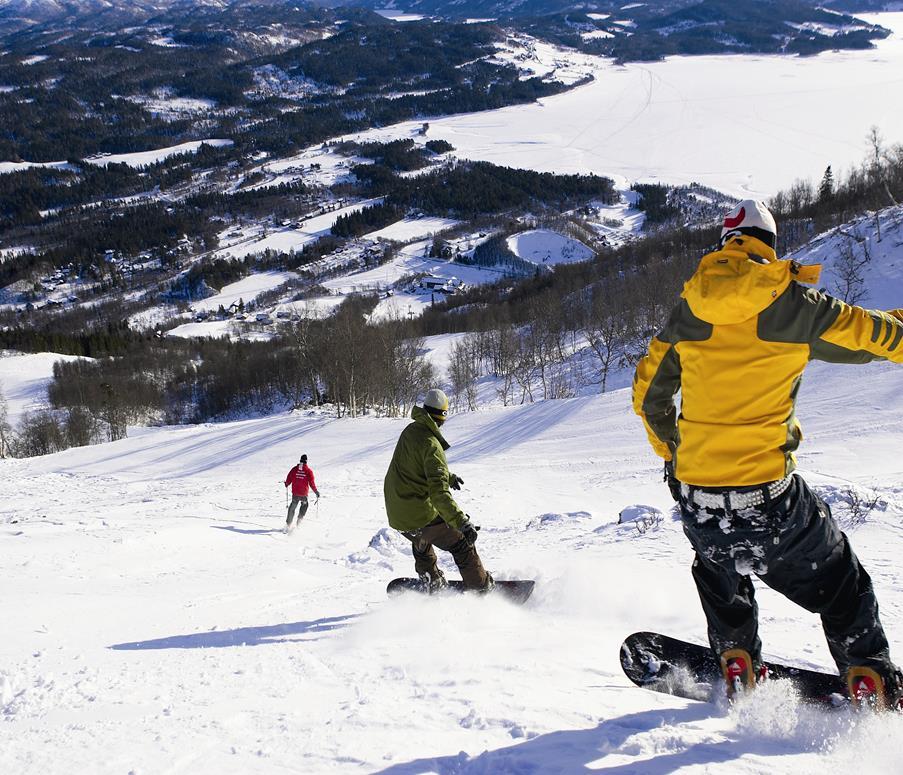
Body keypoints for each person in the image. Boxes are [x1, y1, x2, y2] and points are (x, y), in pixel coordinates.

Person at [632, 199, 903, 709]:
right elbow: (876, 338)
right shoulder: (796, 305)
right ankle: (866, 673)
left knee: (716, 567)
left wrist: (675, 456)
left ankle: (736, 659)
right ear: (769, 245)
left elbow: (648, 396)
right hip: (771, 500)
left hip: (698, 497)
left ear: (726, 242)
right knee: (842, 583)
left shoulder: (689, 308)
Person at [384, 388, 492, 591]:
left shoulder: (410, 431)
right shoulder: (432, 445)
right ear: (443, 416)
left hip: (397, 512)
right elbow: (439, 494)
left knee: (421, 539)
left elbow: (413, 465)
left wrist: (446, 476)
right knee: (460, 543)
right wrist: (462, 523)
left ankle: (431, 580)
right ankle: (481, 587)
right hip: (417, 512)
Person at [284, 454, 319, 533]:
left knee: (292, 507)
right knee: (304, 505)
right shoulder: (308, 471)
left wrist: (287, 483)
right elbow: (311, 483)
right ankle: (299, 522)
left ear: (300, 460)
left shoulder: (294, 469)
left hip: (295, 494)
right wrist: (316, 491)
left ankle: (288, 524)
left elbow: (289, 477)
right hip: (303, 494)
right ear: (306, 461)